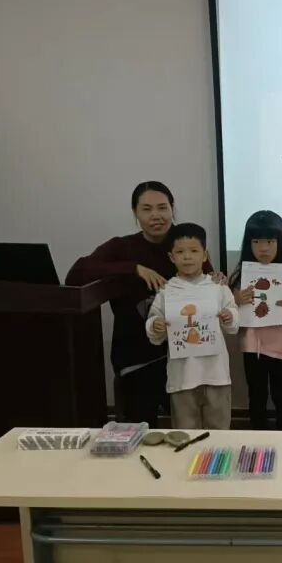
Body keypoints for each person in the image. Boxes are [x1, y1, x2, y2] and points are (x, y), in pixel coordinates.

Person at [66, 181, 214, 425]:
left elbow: (207, 285)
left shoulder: (186, 244)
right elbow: (76, 274)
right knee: (140, 428)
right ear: (135, 212)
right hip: (136, 358)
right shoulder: (122, 247)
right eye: (146, 209)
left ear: (172, 208)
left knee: (190, 428)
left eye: (162, 207)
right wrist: (132, 268)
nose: (156, 215)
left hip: (184, 357)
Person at [146, 223, 238, 429]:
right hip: (182, 377)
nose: (187, 257)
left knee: (219, 431)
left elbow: (233, 322)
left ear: (204, 255)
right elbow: (154, 327)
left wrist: (229, 316)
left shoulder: (217, 287)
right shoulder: (167, 290)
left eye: (194, 251)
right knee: (185, 431)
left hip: (216, 374)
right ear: (171, 257)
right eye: (180, 252)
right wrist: (156, 326)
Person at [228, 211, 282, 430]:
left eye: (270, 241)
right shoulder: (241, 275)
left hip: (281, 346)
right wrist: (235, 300)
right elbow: (228, 311)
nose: (263, 248)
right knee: (256, 394)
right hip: (252, 347)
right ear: (248, 244)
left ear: (280, 243)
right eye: (256, 242)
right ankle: (257, 435)